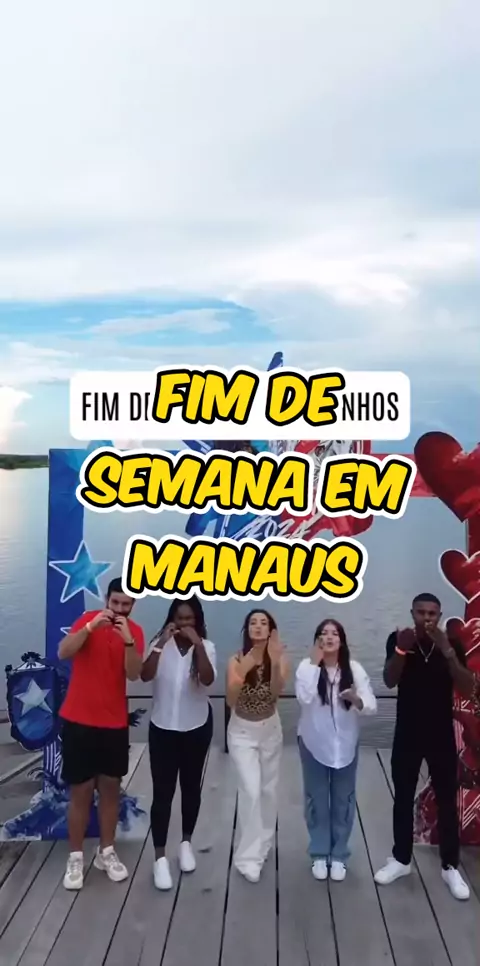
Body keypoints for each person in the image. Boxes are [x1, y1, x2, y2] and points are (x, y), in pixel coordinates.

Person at [374, 592, 474, 900]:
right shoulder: (399, 639)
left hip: (441, 733)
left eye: (432, 613)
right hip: (408, 731)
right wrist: (401, 649)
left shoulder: (451, 644)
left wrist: (448, 651)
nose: (427, 618)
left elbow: (468, 687)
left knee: (447, 799)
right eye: (421, 612)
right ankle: (401, 860)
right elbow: (389, 680)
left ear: (439, 616)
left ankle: (450, 866)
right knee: (403, 797)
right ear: (412, 613)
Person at [58, 577, 144, 890]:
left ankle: (106, 851)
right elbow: (63, 652)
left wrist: (128, 642)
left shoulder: (135, 632)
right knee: (80, 792)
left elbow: (134, 674)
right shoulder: (87, 620)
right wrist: (90, 627)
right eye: (115, 602)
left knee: (110, 790)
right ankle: (75, 857)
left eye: (126, 604)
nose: (119, 609)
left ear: (133, 605)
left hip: (113, 724)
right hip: (79, 721)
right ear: (107, 599)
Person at [141, 595, 216, 891]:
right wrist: (160, 643)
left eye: (190, 619)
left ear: (197, 621)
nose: (185, 624)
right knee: (162, 793)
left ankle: (186, 843)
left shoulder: (206, 647)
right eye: (180, 618)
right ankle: (159, 857)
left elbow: (207, 680)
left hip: (196, 727)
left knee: (190, 787)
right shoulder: (159, 645)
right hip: (162, 728)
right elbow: (144, 675)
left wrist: (199, 646)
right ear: (172, 619)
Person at [295, 619, 376, 881]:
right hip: (313, 744)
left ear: (341, 640)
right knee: (316, 800)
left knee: (344, 801)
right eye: (323, 633)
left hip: (345, 746)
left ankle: (339, 854)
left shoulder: (354, 669)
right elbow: (304, 698)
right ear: (317, 639)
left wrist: (355, 699)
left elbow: (371, 706)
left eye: (334, 633)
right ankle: (319, 853)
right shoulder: (306, 667)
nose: (329, 637)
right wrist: (314, 663)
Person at [226, 609, 289, 883]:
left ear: (271, 630)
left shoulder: (280, 658)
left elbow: (275, 693)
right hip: (242, 731)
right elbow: (230, 700)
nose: (258, 627)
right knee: (250, 790)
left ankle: (264, 840)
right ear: (247, 629)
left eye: (264, 623)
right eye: (253, 622)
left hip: (270, 729)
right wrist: (244, 669)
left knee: (267, 789)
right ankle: (248, 858)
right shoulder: (236, 659)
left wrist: (273, 663)